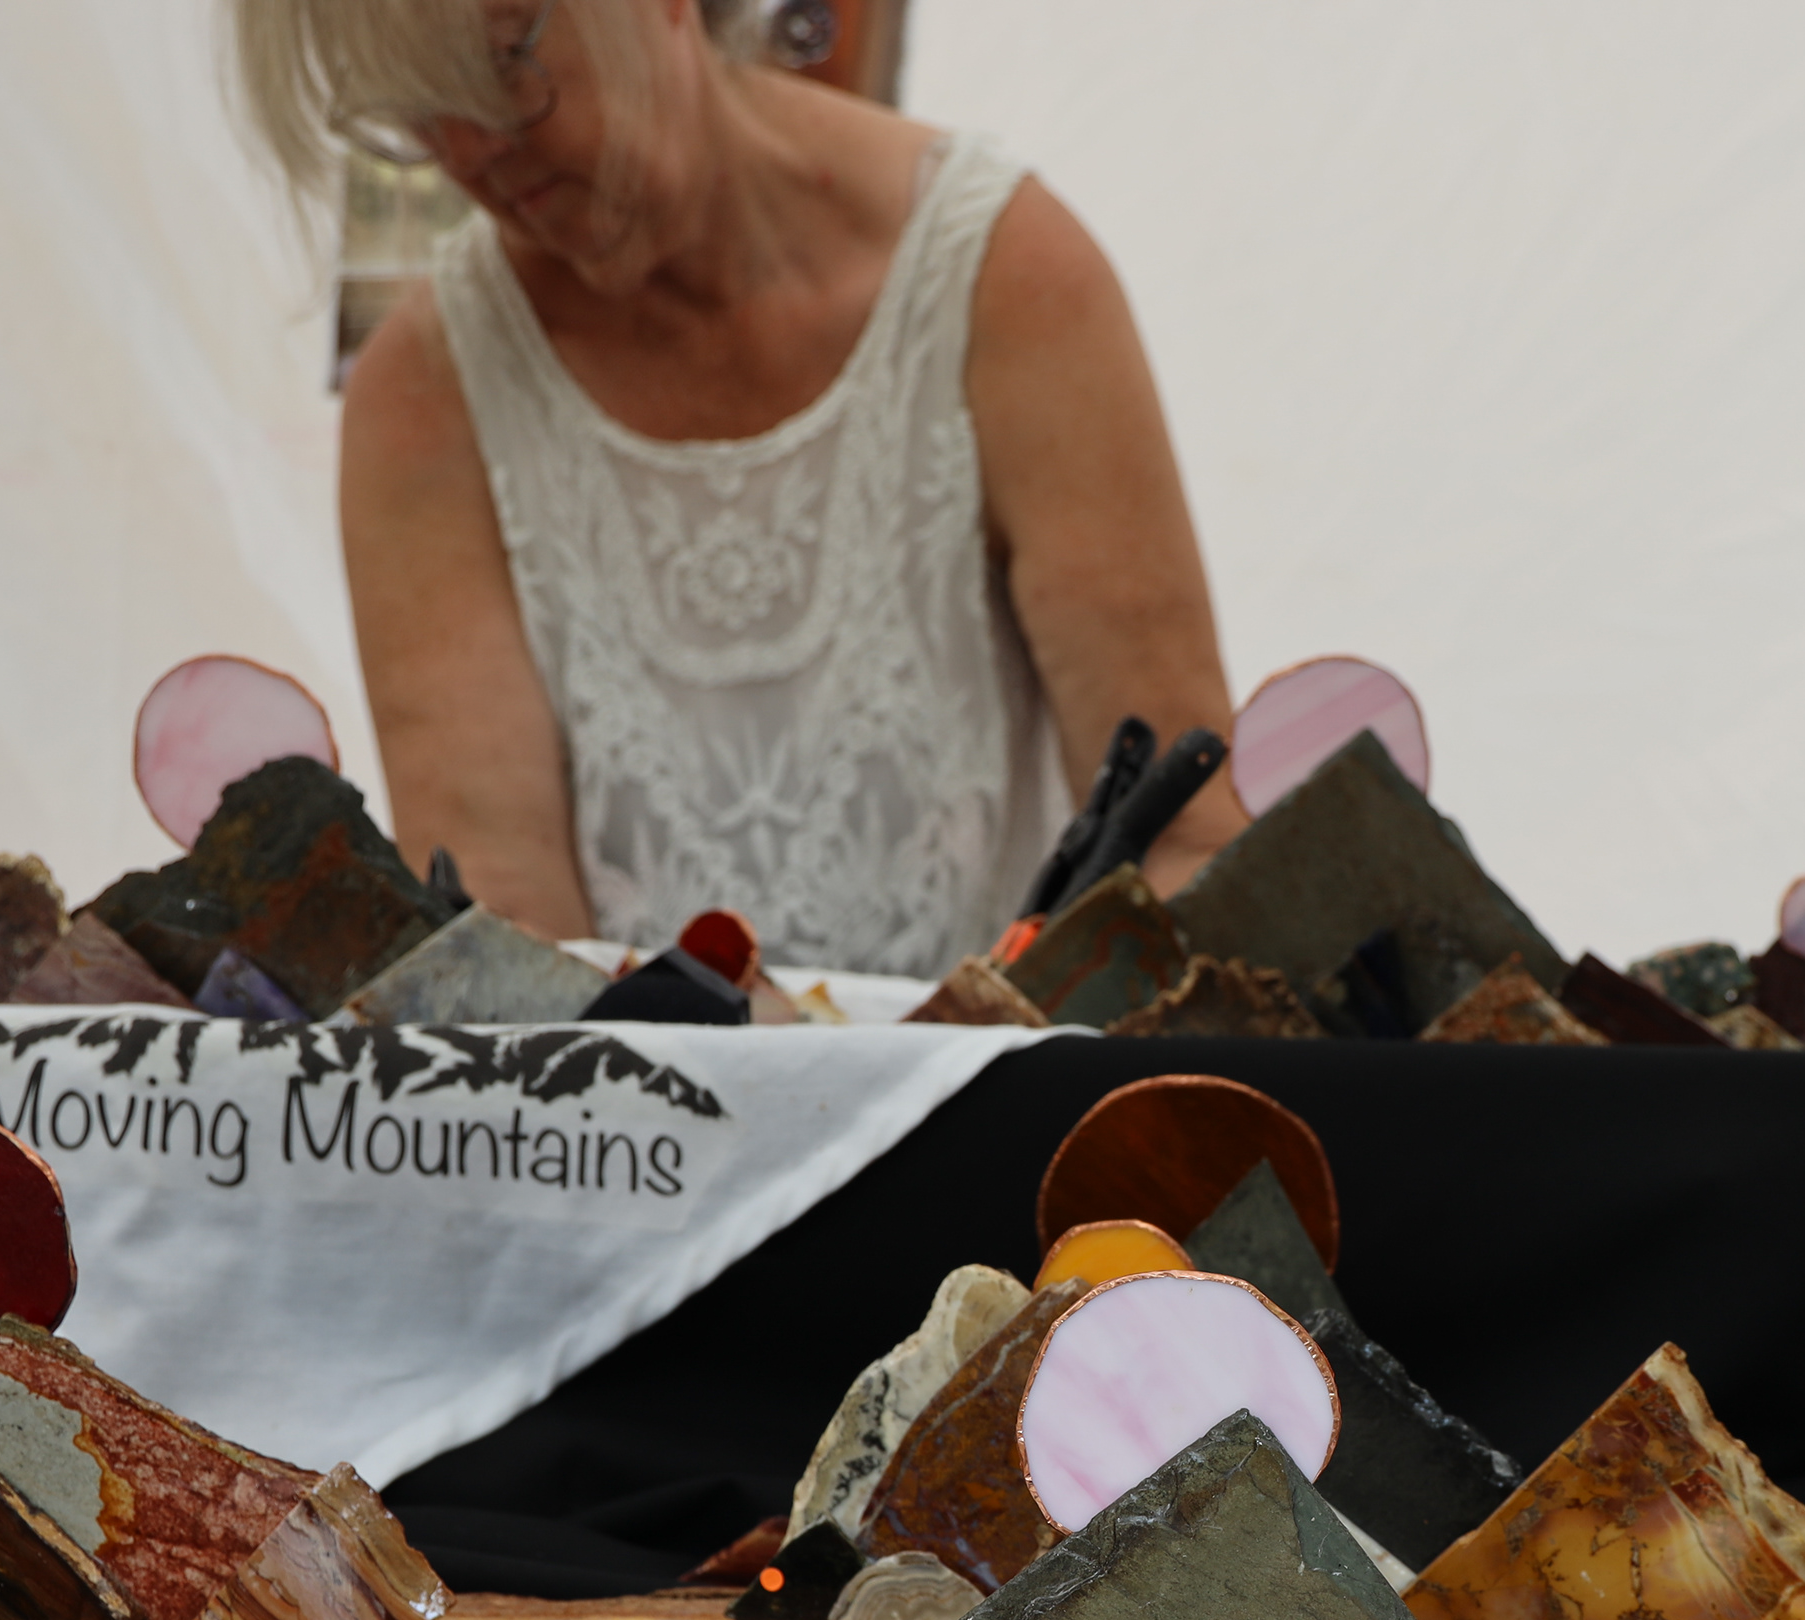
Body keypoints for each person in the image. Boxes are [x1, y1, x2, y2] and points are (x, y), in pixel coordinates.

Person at [231, 0, 1250, 973]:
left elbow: (1179, 834)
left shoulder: (1005, 276)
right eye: (422, 109)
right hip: (624, 1104)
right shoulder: (430, 394)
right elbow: (503, 929)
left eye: (507, 62)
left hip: (1001, 1093)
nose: (471, 150)